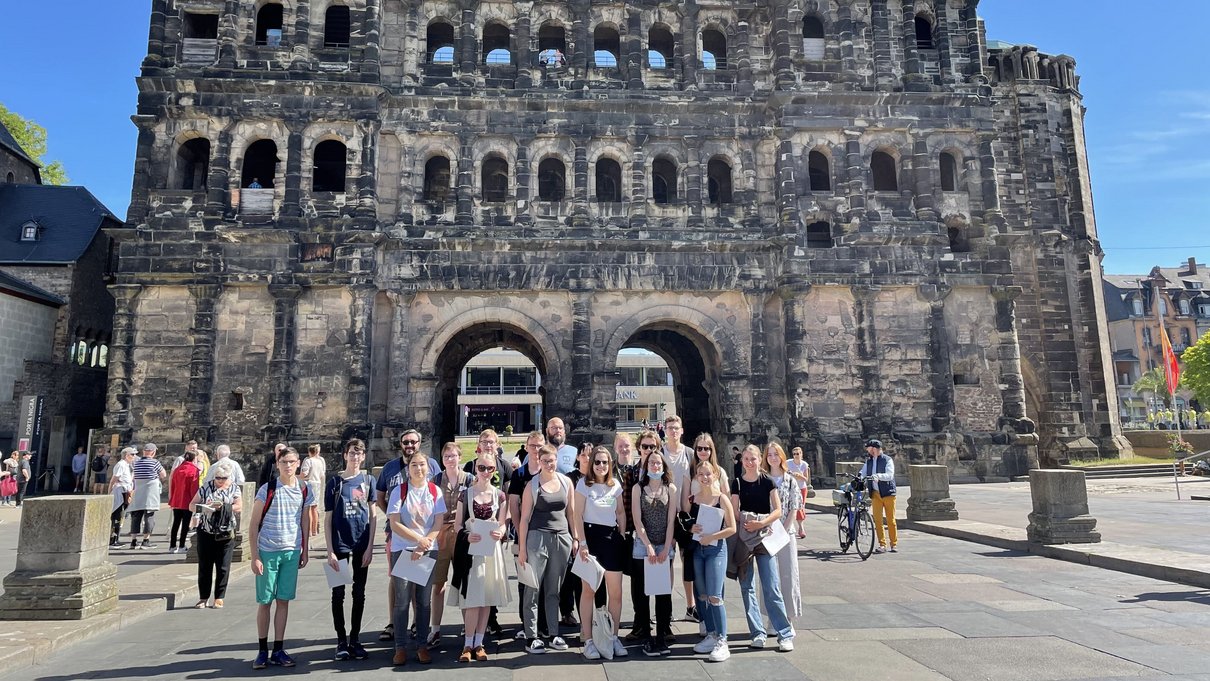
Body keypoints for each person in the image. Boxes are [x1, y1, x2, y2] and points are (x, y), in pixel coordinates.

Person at [250, 446, 315, 669]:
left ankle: (278, 648)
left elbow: (305, 520)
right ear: (277, 464)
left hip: (292, 549)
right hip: (268, 550)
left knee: (284, 601)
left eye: (292, 462)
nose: (288, 466)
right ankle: (261, 650)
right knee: (265, 601)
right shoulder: (267, 489)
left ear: (298, 464)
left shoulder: (304, 489)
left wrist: (306, 549)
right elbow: (253, 523)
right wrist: (254, 556)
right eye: (284, 462)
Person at [730, 444, 794, 652]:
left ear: (760, 459)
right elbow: (734, 510)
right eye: (746, 459)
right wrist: (747, 521)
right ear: (742, 461)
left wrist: (760, 522)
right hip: (745, 538)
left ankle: (784, 632)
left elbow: (777, 510)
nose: (749, 462)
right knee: (747, 586)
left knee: (771, 585)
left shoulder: (766, 481)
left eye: (753, 458)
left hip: (764, 537)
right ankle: (757, 632)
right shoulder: (737, 482)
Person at [449, 451, 511, 662]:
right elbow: (457, 526)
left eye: (490, 468)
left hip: (490, 551)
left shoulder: (499, 495)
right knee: (472, 599)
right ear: (475, 467)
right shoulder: (465, 494)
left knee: (486, 598)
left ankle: (479, 642)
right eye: (482, 467)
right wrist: (467, 535)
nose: (485, 472)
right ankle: (467, 644)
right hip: (471, 550)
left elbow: (502, 523)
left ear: (495, 470)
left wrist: (501, 532)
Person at [386, 450, 445, 666]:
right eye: (414, 465)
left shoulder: (434, 491)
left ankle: (422, 645)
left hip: (427, 550)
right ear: (408, 469)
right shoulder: (399, 491)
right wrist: (418, 540)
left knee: (423, 601)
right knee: (401, 602)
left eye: (422, 465)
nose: (418, 469)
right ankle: (400, 647)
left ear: (428, 468)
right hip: (403, 550)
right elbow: (394, 523)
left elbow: (438, 523)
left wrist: (425, 543)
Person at [517, 443, 574, 654]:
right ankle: (531, 635)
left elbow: (571, 514)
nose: (549, 464)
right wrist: (522, 548)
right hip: (537, 538)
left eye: (552, 460)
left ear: (557, 460)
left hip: (561, 538)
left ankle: (553, 633)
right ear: (538, 462)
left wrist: (575, 538)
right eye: (545, 461)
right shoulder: (532, 485)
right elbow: (523, 519)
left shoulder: (566, 482)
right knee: (533, 588)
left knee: (554, 589)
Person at [573, 445, 628, 660]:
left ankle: (613, 637)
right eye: (597, 462)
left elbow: (621, 512)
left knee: (616, 593)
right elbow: (577, 515)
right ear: (591, 464)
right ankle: (588, 640)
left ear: (610, 464)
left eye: (605, 462)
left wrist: (622, 534)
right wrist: (582, 543)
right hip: (591, 539)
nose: (601, 466)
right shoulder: (583, 485)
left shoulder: (615, 485)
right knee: (589, 591)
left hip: (611, 540)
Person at [375, 430, 430, 644]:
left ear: (419, 443)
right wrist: (393, 517)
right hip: (397, 534)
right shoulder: (390, 468)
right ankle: (393, 623)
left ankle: (417, 623)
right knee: (396, 578)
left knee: (420, 580)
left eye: (413, 442)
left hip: (423, 536)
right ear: (400, 444)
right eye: (406, 442)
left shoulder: (430, 464)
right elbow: (380, 496)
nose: (410, 445)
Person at [324, 438, 376, 661]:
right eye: (352, 453)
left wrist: (371, 547)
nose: (355, 457)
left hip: (361, 543)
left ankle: (355, 638)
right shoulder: (334, 483)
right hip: (339, 544)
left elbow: (373, 516)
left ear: (364, 456)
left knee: (359, 593)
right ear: (345, 455)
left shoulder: (368, 480)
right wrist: (329, 550)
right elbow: (327, 519)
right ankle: (341, 640)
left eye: (359, 453)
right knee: (338, 594)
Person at [688, 461, 736, 662]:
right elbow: (687, 523)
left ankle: (722, 640)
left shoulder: (721, 498)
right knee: (702, 595)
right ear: (697, 477)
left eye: (708, 474)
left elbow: (732, 527)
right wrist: (691, 529)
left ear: (715, 475)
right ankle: (711, 632)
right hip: (698, 550)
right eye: (701, 474)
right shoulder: (693, 499)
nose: (704, 477)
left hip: (716, 549)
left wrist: (712, 536)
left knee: (715, 595)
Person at [630, 449, 676, 656]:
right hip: (643, 545)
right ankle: (646, 637)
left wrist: (666, 547)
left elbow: (671, 521)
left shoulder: (671, 489)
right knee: (642, 592)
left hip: (663, 544)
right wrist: (647, 545)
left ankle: (661, 636)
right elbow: (637, 520)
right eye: (652, 463)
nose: (655, 466)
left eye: (658, 463)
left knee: (663, 593)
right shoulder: (638, 489)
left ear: (663, 467)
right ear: (646, 467)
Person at [430, 442, 472, 647]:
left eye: (453, 456)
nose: (449, 459)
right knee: (438, 583)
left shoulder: (469, 480)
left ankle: (468, 627)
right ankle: (435, 629)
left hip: (463, 534)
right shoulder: (436, 480)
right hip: (441, 533)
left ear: (460, 457)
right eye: (446, 456)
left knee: (464, 580)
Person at [190, 459, 242, 608]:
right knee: (205, 565)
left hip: (225, 531)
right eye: (217, 478)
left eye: (223, 478)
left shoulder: (233, 488)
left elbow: (239, 506)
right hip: (206, 530)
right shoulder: (206, 487)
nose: (220, 481)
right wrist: (204, 508)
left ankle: (219, 597)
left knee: (223, 565)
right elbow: (191, 505)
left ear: (229, 478)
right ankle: (203, 597)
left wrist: (224, 507)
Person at [661, 415, 696, 623]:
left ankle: (691, 606)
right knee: (667, 561)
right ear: (665, 430)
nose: (673, 431)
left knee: (687, 560)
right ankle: (667, 608)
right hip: (664, 514)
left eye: (676, 428)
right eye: (670, 428)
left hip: (685, 513)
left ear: (682, 431)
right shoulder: (660, 453)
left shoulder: (690, 454)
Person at [764, 443, 802, 620]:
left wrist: (783, 532)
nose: (772, 458)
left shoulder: (790, 480)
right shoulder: (762, 480)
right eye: (769, 454)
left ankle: (789, 617)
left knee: (788, 574)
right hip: (766, 533)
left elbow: (794, 508)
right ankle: (772, 617)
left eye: (776, 454)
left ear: (781, 456)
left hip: (786, 533)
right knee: (770, 578)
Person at [862, 439, 898, 553]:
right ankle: (882, 544)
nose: (871, 452)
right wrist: (858, 478)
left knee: (890, 519)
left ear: (877, 449)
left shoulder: (887, 460)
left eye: (872, 450)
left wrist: (878, 476)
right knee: (877, 519)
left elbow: (890, 475)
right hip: (875, 493)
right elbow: (862, 472)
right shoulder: (869, 462)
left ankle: (893, 543)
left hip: (888, 492)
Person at [129, 443, 167, 549]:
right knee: (149, 516)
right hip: (150, 493)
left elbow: (134, 476)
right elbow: (163, 474)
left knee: (136, 516)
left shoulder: (136, 463)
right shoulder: (155, 462)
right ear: (153, 452)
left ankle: (133, 540)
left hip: (138, 492)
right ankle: (146, 540)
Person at [168, 451, 201, 554]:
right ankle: (182, 545)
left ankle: (172, 546)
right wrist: (195, 500)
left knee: (176, 522)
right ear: (194, 459)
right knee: (186, 523)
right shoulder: (194, 470)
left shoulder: (178, 469)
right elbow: (194, 487)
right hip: (187, 500)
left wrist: (172, 497)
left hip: (177, 499)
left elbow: (173, 484)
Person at [108, 448, 136, 547]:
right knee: (117, 515)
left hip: (125, 491)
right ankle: (112, 539)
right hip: (119, 491)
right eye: (132, 454)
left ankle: (116, 538)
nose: (134, 456)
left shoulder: (128, 465)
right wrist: (109, 492)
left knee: (121, 516)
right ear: (126, 455)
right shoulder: (121, 464)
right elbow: (114, 479)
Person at [300, 444, 326, 538]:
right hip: (318, 483)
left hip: (309, 484)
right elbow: (322, 475)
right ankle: (315, 530)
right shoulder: (320, 461)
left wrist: (299, 476)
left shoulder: (309, 461)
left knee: (308, 508)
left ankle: (309, 530)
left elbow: (304, 474)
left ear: (309, 452)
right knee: (315, 508)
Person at [786, 447, 810, 539]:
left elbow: (806, 479)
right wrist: (790, 473)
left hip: (801, 488)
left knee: (800, 507)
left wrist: (799, 475)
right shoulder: (788, 463)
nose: (796, 455)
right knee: (791, 507)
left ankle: (801, 528)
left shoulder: (804, 464)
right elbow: (784, 471)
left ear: (801, 454)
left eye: (798, 453)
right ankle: (792, 527)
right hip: (791, 487)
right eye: (794, 454)